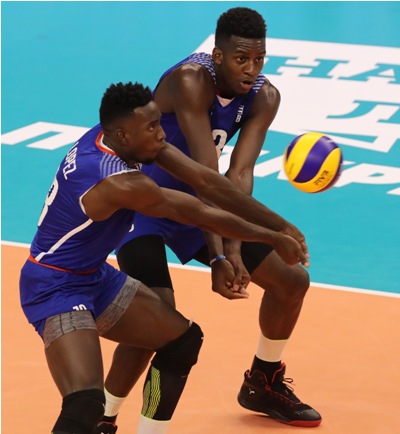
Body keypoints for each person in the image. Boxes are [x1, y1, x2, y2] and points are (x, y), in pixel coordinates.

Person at [19, 81, 310, 434]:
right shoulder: (117, 181)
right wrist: (271, 236)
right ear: (124, 135)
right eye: (153, 127)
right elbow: (199, 213)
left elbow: (207, 182)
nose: (162, 134)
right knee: (84, 404)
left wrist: (280, 226)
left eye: (159, 122)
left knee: (182, 341)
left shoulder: (121, 138)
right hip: (55, 287)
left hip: (95, 276)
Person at [96, 7, 321, 433]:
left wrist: (234, 249)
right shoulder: (190, 80)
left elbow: (240, 174)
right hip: (144, 203)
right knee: (157, 317)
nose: (251, 69)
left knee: (292, 281)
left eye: (259, 59)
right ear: (218, 56)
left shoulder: (265, 97)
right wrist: (220, 256)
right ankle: (102, 417)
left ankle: (262, 382)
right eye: (241, 59)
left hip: (196, 205)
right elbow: (205, 173)